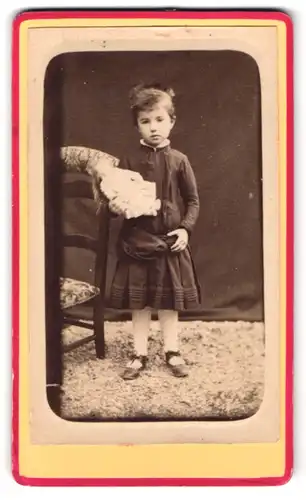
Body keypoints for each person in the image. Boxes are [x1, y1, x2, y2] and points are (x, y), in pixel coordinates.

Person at [108, 82, 201, 380]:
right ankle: (139, 353)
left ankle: (172, 351)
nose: (153, 127)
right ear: (137, 125)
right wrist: (119, 204)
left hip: (171, 241)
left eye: (160, 120)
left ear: (172, 121)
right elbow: (116, 199)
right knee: (141, 302)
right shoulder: (128, 161)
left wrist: (185, 230)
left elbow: (193, 201)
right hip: (138, 242)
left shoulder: (180, 161)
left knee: (169, 303)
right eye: (145, 121)